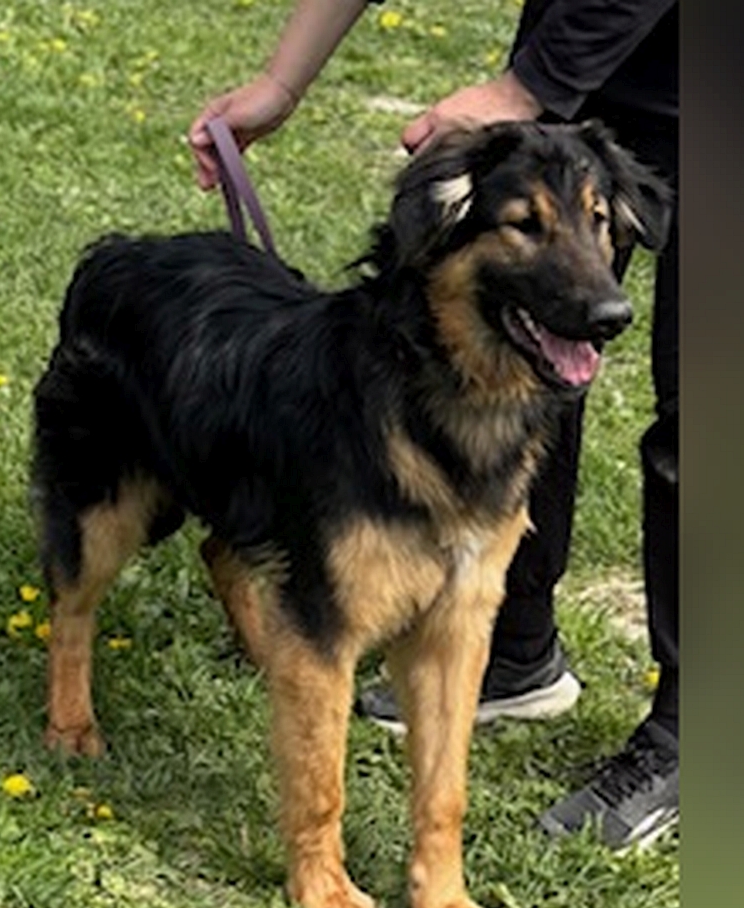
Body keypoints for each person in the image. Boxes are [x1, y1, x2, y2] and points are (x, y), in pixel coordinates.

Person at [188, 0, 678, 852]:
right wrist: (282, 78)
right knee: (529, 361)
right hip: (587, 75)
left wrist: (530, 83)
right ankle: (515, 648)